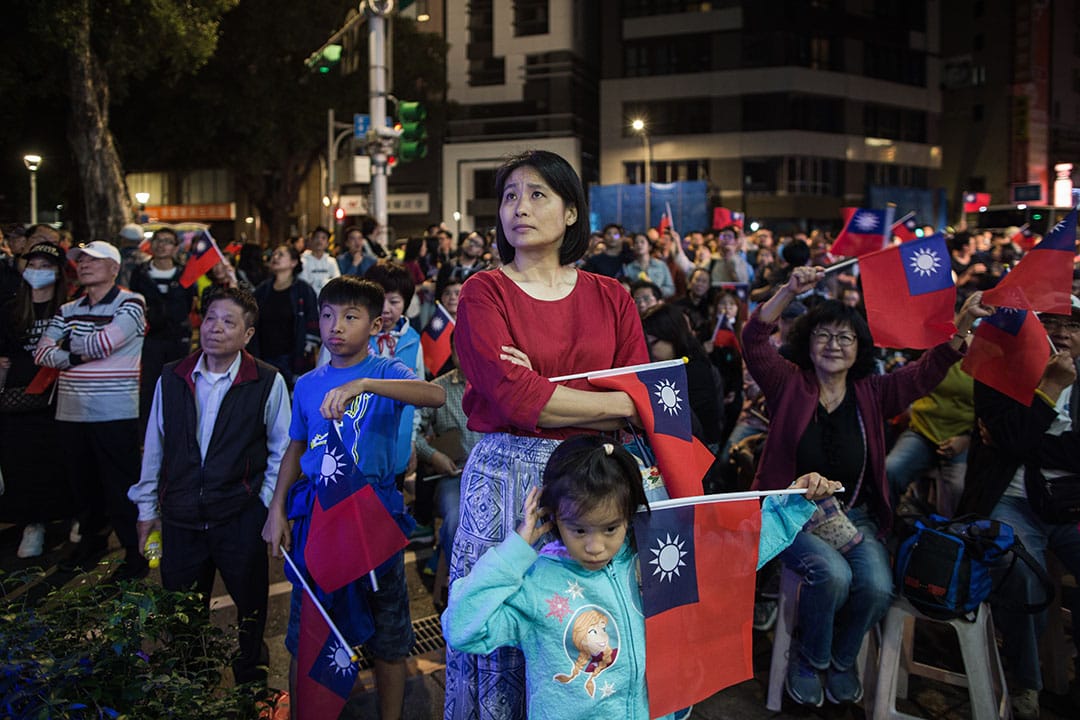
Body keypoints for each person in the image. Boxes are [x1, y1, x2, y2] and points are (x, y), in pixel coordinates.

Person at [445, 149, 648, 720]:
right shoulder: (484, 293)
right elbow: (511, 398)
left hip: (595, 483)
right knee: (503, 624)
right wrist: (609, 402)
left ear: (572, 213)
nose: (519, 208)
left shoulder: (613, 297)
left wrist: (542, 387)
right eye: (510, 195)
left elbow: (643, 401)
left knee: (578, 629)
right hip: (510, 483)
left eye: (537, 195)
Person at [443, 435, 842, 720]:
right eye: (579, 529)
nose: (595, 546)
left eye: (610, 528)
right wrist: (517, 549)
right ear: (552, 518)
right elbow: (461, 627)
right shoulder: (534, 581)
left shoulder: (657, 559)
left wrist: (790, 505)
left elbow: (733, 557)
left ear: (632, 515)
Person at [742, 265, 990, 708]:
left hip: (854, 517)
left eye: (845, 337)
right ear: (807, 341)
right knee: (833, 576)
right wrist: (790, 289)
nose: (834, 345)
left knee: (877, 586)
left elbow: (924, 371)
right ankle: (809, 658)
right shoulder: (788, 385)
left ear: (859, 349)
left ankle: (841, 658)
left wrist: (963, 327)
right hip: (789, 520)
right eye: (824, 335)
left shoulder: (873, 393)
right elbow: (755, 340)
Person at [261, 276, 444, 720]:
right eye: (327, 315)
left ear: (375, 323)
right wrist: (277, 507)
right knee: (309, 633)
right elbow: (295, 446)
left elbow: (433, 395)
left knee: (390, 633)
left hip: (376, 515)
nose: (335, 327)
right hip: (319, 517)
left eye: (350, 316)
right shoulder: (306, 383)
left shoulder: (386, 370)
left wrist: (364, 384)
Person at [129, 288, 289, 685]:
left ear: (248, 334)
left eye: (229, 321)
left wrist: (267, 507)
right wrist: (147, 509)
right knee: (183, 614)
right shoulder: (173, 375)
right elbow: (155, 446)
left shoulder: (267, 380)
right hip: (181, 518)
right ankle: (194, 683)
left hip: (239, 517)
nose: (216, 328)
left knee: (251, 612)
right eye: (211, 317)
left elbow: (282, 449)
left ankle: (253, 684)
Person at [957, 295, 1080, 720]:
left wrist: (1031, 443)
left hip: (1069, 505)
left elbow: (1016, 440)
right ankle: (1027, 681)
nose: (1062, 332)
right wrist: (1049, 389)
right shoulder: (998, 367)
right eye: (1051, 322)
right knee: (1017, 570)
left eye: (1073, 325)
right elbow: (1007, 439)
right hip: (1007, 499)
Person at [35, 240, 148, 579]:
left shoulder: (131, 303)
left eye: (93, 260)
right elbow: (41, 353)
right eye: (80, 260)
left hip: (114, 410)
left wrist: (67, 349)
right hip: (71, 411)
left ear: (114, 268)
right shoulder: (68, 308)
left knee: (121, 485)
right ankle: (91, 541)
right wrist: (76, 352)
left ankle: (134, 551)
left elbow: (105, 342)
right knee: (82, 483)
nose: (83, 265)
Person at [0, 241, 70, 558]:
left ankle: (70, 518)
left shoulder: (68, 309)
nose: (38, 272)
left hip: (60, 400)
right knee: (21, 464)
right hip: (18, 401)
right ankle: (32, 524)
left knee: (59, 461)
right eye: (33, 265)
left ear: (58, 272)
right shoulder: (10, 309)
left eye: (46, 266)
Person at [128, 227, 197, 430]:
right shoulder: (140, 272)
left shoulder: (185, 273)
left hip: (178, 337)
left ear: (175, 247)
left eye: (167, 241)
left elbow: (187, 302)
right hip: (150, 337)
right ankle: (147, 430)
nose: (161, 245)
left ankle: (176, 427)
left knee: (177, 382)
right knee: (150, 385)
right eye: (158, 240)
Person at [365, 260, 425, 484]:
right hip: (359, 440)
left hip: (398, 440)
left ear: (406, 303)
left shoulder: (413, 341)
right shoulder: (355, 336)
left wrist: (411, 440)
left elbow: (418, 397)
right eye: (379, 299)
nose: (385, 308)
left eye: (394, 301)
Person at [251, 244, 319, 388]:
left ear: (293, 262)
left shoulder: (303, 290)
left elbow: (313, 320)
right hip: (264, 356)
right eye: (274, 254)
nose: (275, 257)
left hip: (292, 357)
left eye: (280, 255)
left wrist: (307, 349)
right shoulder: (263, 290)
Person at [623, 233, 674, 298]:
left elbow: (671, 289)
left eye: (642, 242)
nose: (639, 245)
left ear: (649, 247)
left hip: (658, 304)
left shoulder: (661, 265)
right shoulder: (629, 268)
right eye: (636, 243)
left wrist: (656, 291)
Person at [297, 226, 340, 295]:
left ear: (327, 243)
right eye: (317, 237)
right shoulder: (303, 260)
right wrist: (327, 281)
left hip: (328, 299)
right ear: (311, 240)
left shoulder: (332, 261)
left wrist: (315, 282)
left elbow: (337, 282)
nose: (319, 240)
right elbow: (304, 283)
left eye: (323, 238)